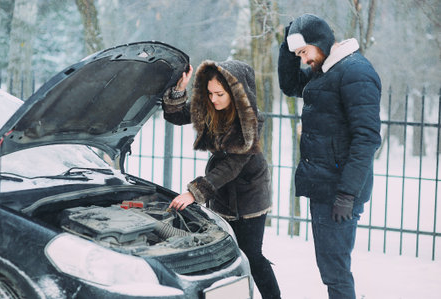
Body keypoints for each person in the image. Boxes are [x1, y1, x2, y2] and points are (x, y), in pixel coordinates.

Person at [278, 14, 381, 299]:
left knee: (335, 272)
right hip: (325, 187)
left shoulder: (355, 72)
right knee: (331, 269)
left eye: (304, 52)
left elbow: (367, 138)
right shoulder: (326, 70)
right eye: (298, 54)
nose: (303, 60)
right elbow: (289, 85)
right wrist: (287, 46)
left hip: (339, 192)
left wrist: (347, 194)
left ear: (320, 42)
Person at [162, 59, 281, 299]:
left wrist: (195, 192)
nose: (213, 99)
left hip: (250, 197)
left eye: (219, 94)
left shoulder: (251, 120)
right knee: (223, 256)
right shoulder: (211, 108)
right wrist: (179, 91)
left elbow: (231, 165)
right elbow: (177, 115)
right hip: (222, 195)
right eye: (209, 93)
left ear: (236, 93)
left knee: (251, 255)